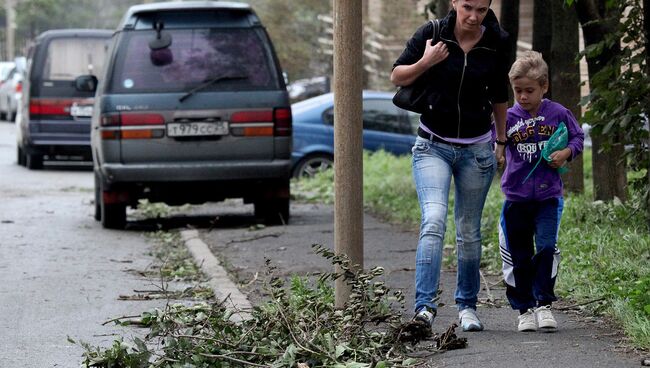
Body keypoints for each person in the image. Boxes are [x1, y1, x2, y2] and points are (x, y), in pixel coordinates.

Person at [390, 0, 510, 332]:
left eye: (481, 10)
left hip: (477, 150)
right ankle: (424, 308)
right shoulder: (431, 34)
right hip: (432, 146)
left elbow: (501, 94)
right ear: (455, 2)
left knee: (469, 232)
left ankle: (467, 306)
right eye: (468, 7)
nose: (473, 16)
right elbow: (397, 75)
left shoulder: (496, 41)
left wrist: (501, 142)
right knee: (433, 220)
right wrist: (425, 61)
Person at [498, 51, 584, 332]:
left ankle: (544, 304)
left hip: (548, 198)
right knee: (520, 255)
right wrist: (495, 152)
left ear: (544, 87)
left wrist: (567, 153)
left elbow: (578, 136)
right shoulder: (508, 117)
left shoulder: (558, 113)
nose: (523, 97)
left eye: (529, 91)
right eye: (518, 90)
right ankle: (524, 309)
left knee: (546, 247)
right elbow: (495, 142)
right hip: (516, 198)